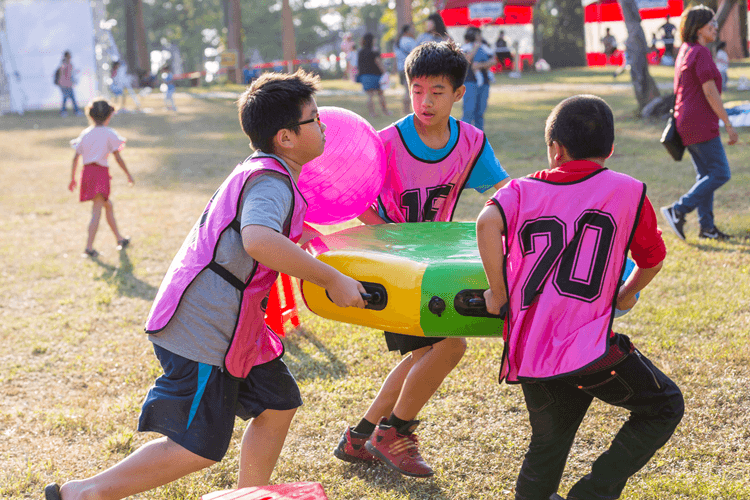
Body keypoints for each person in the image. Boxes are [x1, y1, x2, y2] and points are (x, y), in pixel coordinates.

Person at [44, 70, 367, 500]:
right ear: (286, 137)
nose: (325, 126)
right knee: (196, 447)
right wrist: (331, 277)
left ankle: (248, 495)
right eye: (314, 119)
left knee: (277, 404)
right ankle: (85, 493)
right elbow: (257, 239)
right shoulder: (270, 180)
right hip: (203, 326)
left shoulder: (268, 172)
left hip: (238, 327)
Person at [477, 94, 685, 500]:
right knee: (664, 406)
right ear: (609, 149)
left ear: (555, 149)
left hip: (533, 348)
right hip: (590, 350)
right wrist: (625, 296)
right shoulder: (629, 191)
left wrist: (498, 293)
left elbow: (486, 223)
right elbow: (653, 260)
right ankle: (593, 493)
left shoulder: (520, 190)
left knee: (549, 443)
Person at [333, 40, 510, 478]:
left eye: (436, 91)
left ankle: (360, 436)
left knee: (422, 356)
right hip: (394, 271)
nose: (425, 101)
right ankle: (394, 432)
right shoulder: (386, 142)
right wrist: (386, 233)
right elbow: (353, 196)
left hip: (438, 269)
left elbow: (506, 196)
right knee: (450, 345)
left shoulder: (471, 142)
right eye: (416, 90)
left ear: (459, 94)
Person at [660, 6, 738, 242]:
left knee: (706, 174)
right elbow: (710, 92)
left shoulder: (685, 50)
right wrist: (727, 123)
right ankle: (678, 210)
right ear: (698, 28)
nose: (715, 27)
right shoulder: (701, 53)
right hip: (701, 122)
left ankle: (707, 227)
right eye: (711, 24)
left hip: (686, 122)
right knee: (721, 173)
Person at [67, 99, 133, 258]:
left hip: (87, 174)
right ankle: (89, 248)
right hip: (100, 174)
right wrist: (128, 174)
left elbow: (75, 158)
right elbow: (118, 158)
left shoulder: (86, 133)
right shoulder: (109, 133)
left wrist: (72, 178)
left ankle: (120, 239)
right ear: (109, 115)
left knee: (107, 205)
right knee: (97, 210)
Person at [462, 26, 495, 130]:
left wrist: (480, 65)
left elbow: (493, 61)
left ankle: (479, 137)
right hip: (470, 82)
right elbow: (466, 60)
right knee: (469, 110)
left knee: (480, 111)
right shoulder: (466, 47)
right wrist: (475, 48)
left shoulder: (485, 47)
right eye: (479, 34)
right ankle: (464, 135)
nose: (480, 36)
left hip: (484, 82)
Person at [357, 33, 391, 118]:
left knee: (369, 95)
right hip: (376, 75)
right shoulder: (374, 51)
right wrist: (385, 72)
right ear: (371, 40)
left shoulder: (361, 51)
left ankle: (372, 113)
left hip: (365, 76)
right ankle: (385, 111)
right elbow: (378, 62)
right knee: (381, 94)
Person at [394, 24, 417, 114]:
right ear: (407, 31)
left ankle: (405, 110)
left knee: (406, 90)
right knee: (409, 91)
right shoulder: (410, 41)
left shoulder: (397, 42)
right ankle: (408, 111)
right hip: (410, 68)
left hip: (401, 68)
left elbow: (396, 57)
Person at [57, 51, 82, 116]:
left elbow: (70, 74)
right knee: (66, 98)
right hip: (64, 85)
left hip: (68, 84)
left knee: (71, 98)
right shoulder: (64, 64)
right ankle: (65, 111)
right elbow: (64, 75)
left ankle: (74, 110)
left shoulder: (68, 64)